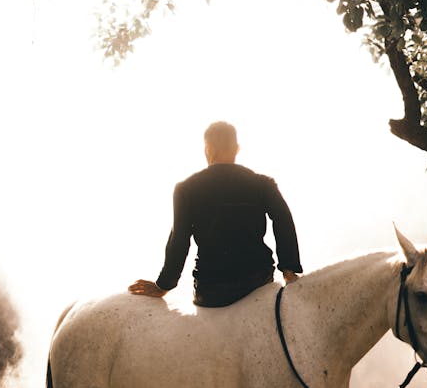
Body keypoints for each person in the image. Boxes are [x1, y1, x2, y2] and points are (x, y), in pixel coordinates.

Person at [129, 121, 302, 307]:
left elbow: (179, 240)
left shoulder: (186, 189)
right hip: (257, 280)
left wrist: (164, 285)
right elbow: (283, 220)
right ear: (236, 149)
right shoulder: (263, 184)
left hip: (212, 288)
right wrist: (289, 268)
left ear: (207, 149)